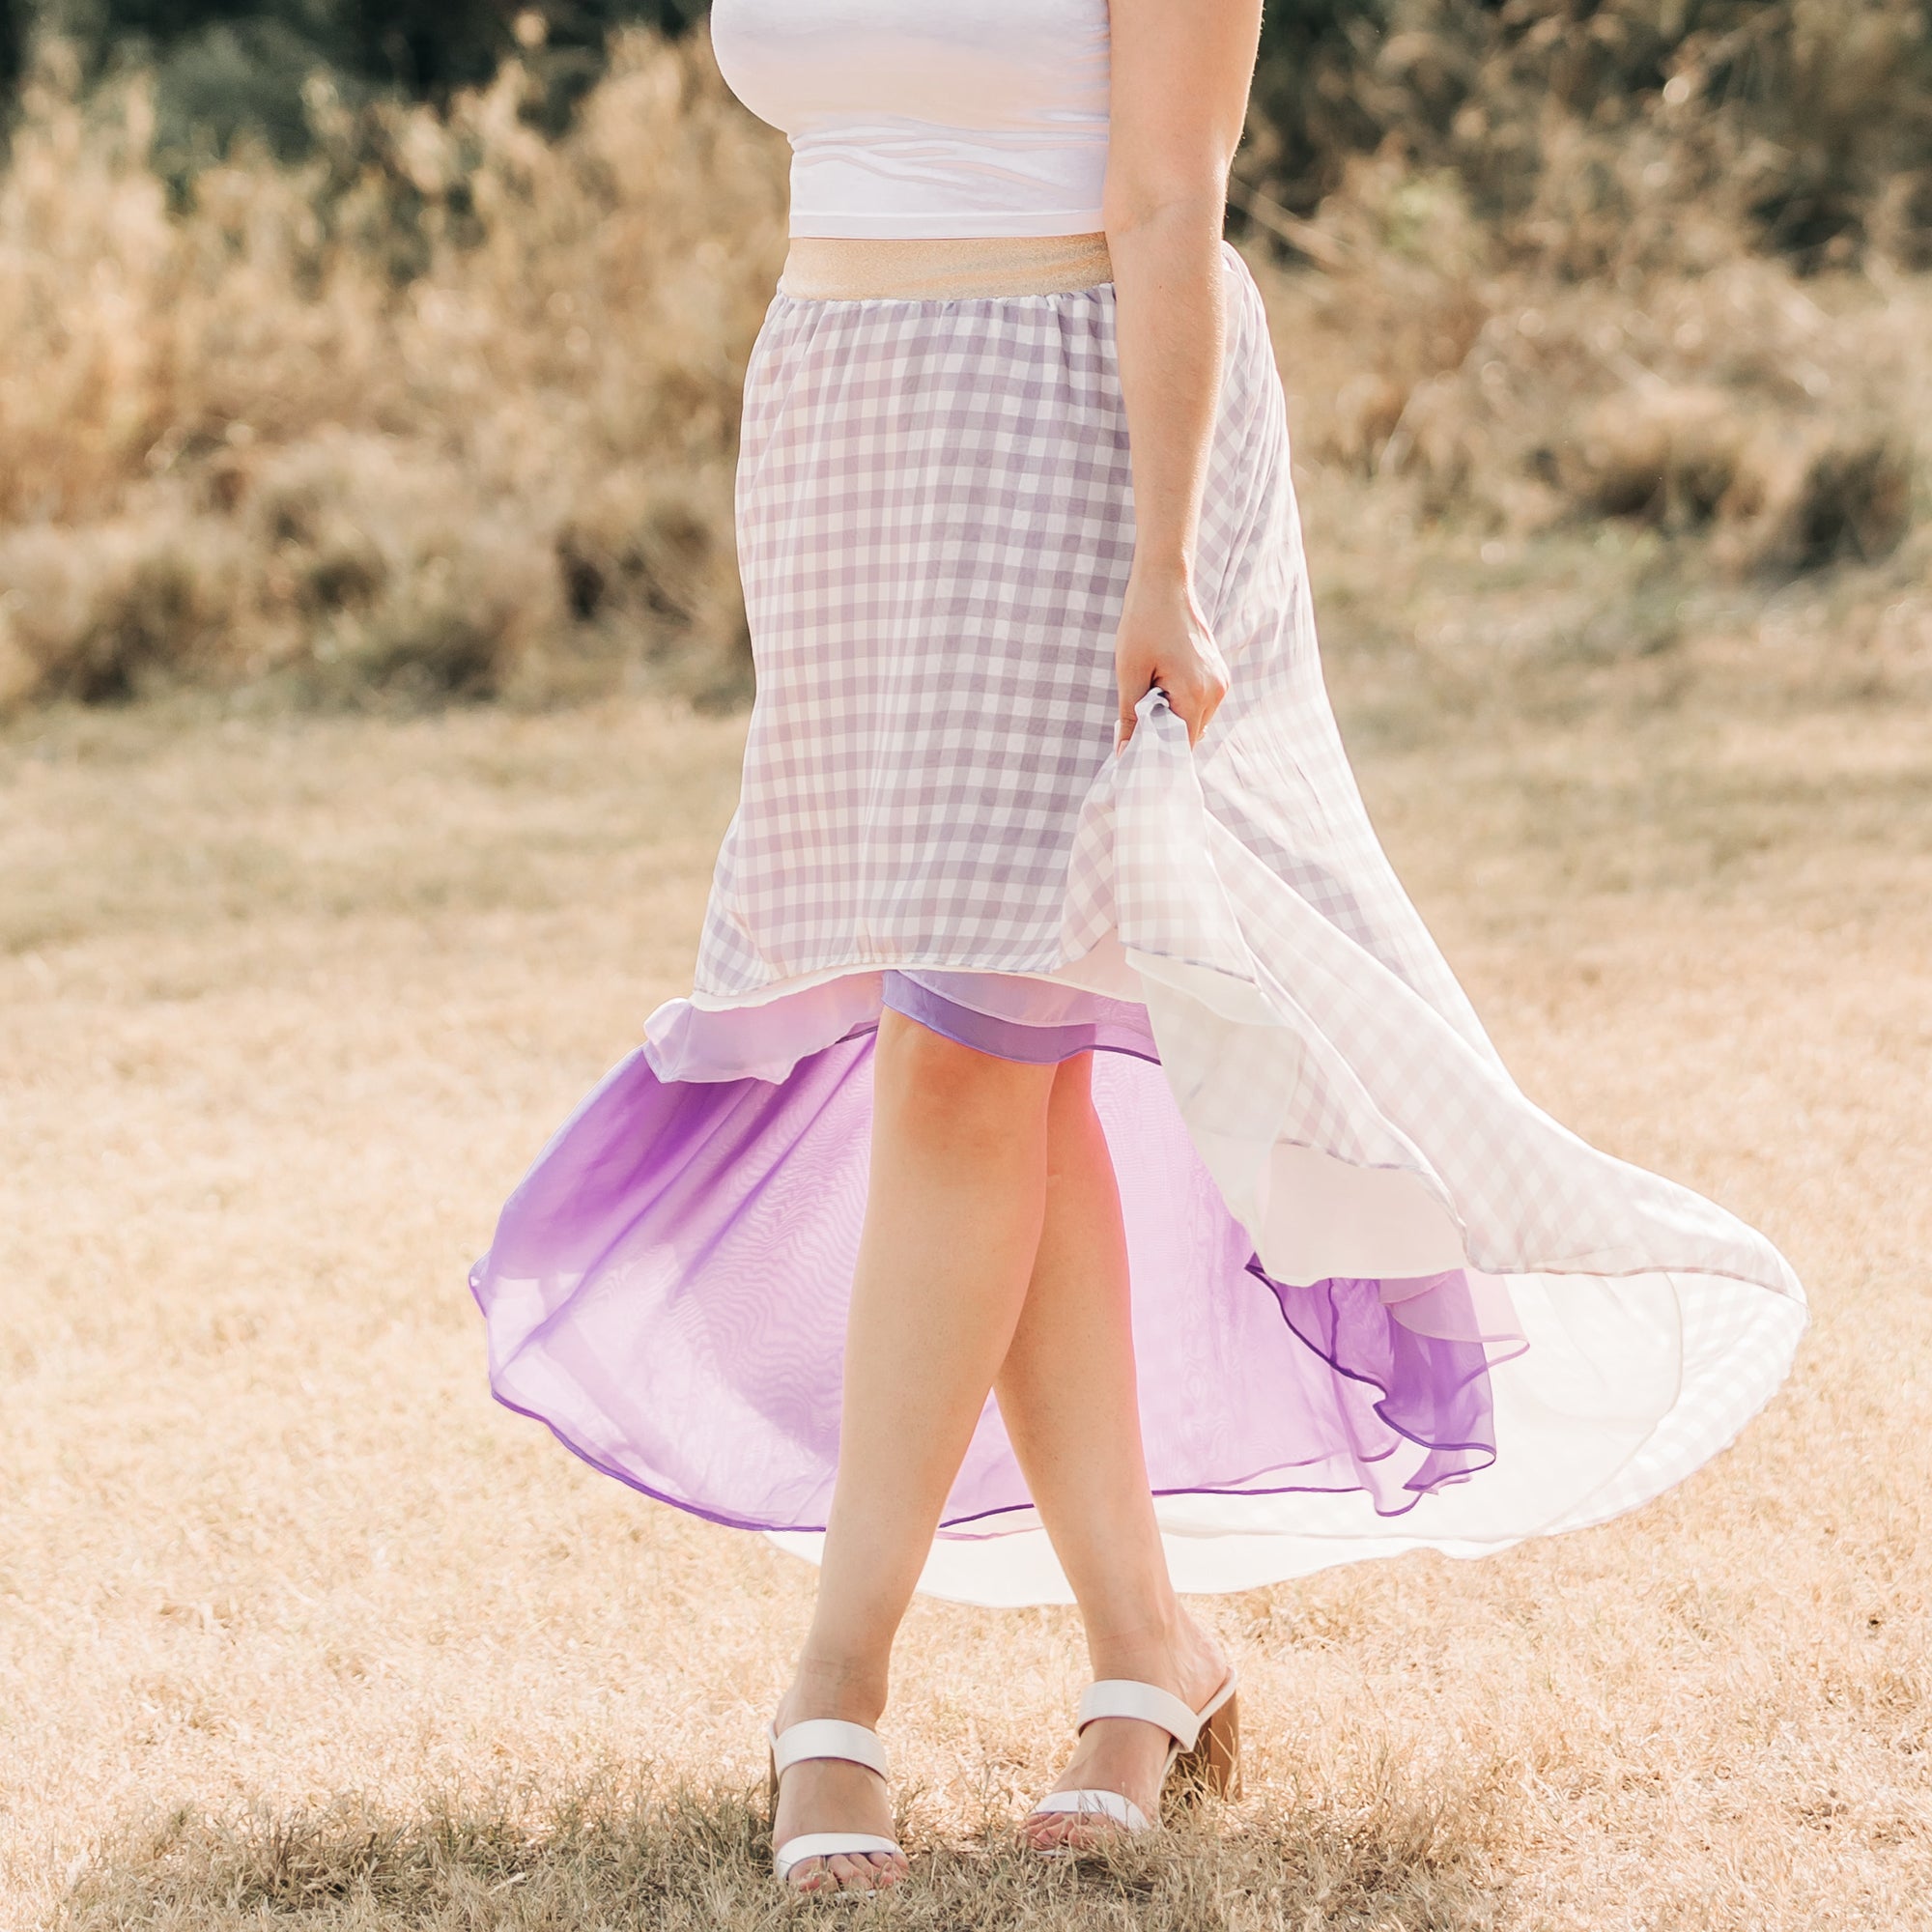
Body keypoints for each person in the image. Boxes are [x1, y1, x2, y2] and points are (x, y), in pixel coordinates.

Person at [471, 0, 1807, 1895]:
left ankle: (830, 1683)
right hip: (847, 414)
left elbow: (1171, 197)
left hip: (1079, 426)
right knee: (986, 1062)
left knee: (960, 1055)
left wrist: (1163, 562)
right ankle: (1148, 1652)